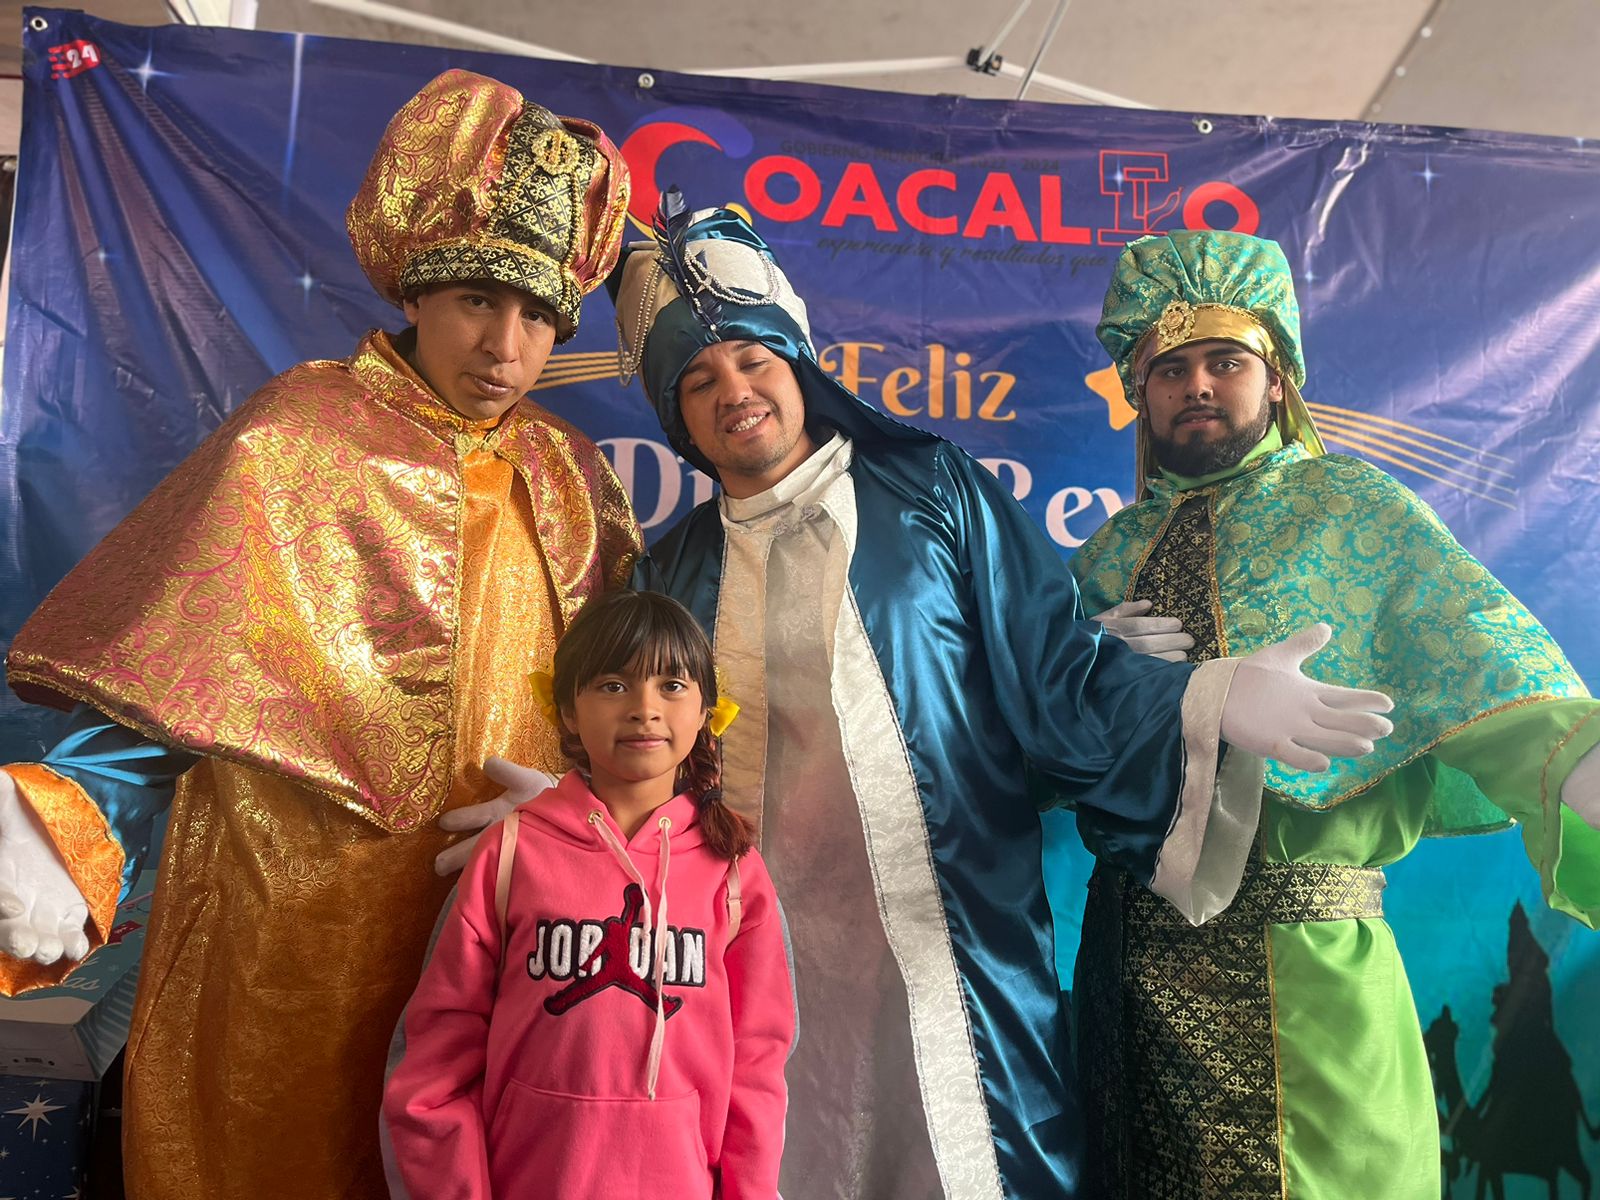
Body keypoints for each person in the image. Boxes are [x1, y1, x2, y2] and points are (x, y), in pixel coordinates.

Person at [613, 198, 1397, 1199]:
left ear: (798, 364)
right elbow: (641, 758)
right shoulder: (668, 574)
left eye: (754, 360)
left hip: (949, 934)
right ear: (675, 417)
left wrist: (1205, 698)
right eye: (698, 380)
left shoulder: (930, 492)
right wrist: (567, 826)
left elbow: (1054, 668)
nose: (735, 392)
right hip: (754, 954)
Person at [0, 70, 638, 1199]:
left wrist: (592, 818)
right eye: (478, 299)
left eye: (539, 317)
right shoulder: (299, 436)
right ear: (418, 293)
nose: (506, 345)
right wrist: (64, 821)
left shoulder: (570, 477)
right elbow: (172, 686)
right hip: (290, 927)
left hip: (506, 925)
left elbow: (634, 698)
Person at [1069, 228, 1600, 1200]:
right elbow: (1016, 749)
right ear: (1138, 393)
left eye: (1226, 361)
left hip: (1306, 974)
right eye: (1169, 368)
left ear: (1277, 379)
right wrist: (1078, 666)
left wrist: (1574, 759)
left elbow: (1474, 648)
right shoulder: (1104, 557)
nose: (1196, 385)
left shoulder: (1350, 507)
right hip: (1127, 975)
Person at [382, 589, 793, 1199]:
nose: (645, 709)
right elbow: (438, 1055)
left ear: (708, 711)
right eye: (612, 685)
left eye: (672, 686)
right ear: (568, 710)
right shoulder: (511, 851)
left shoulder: (733, 871)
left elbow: (758, 1063)